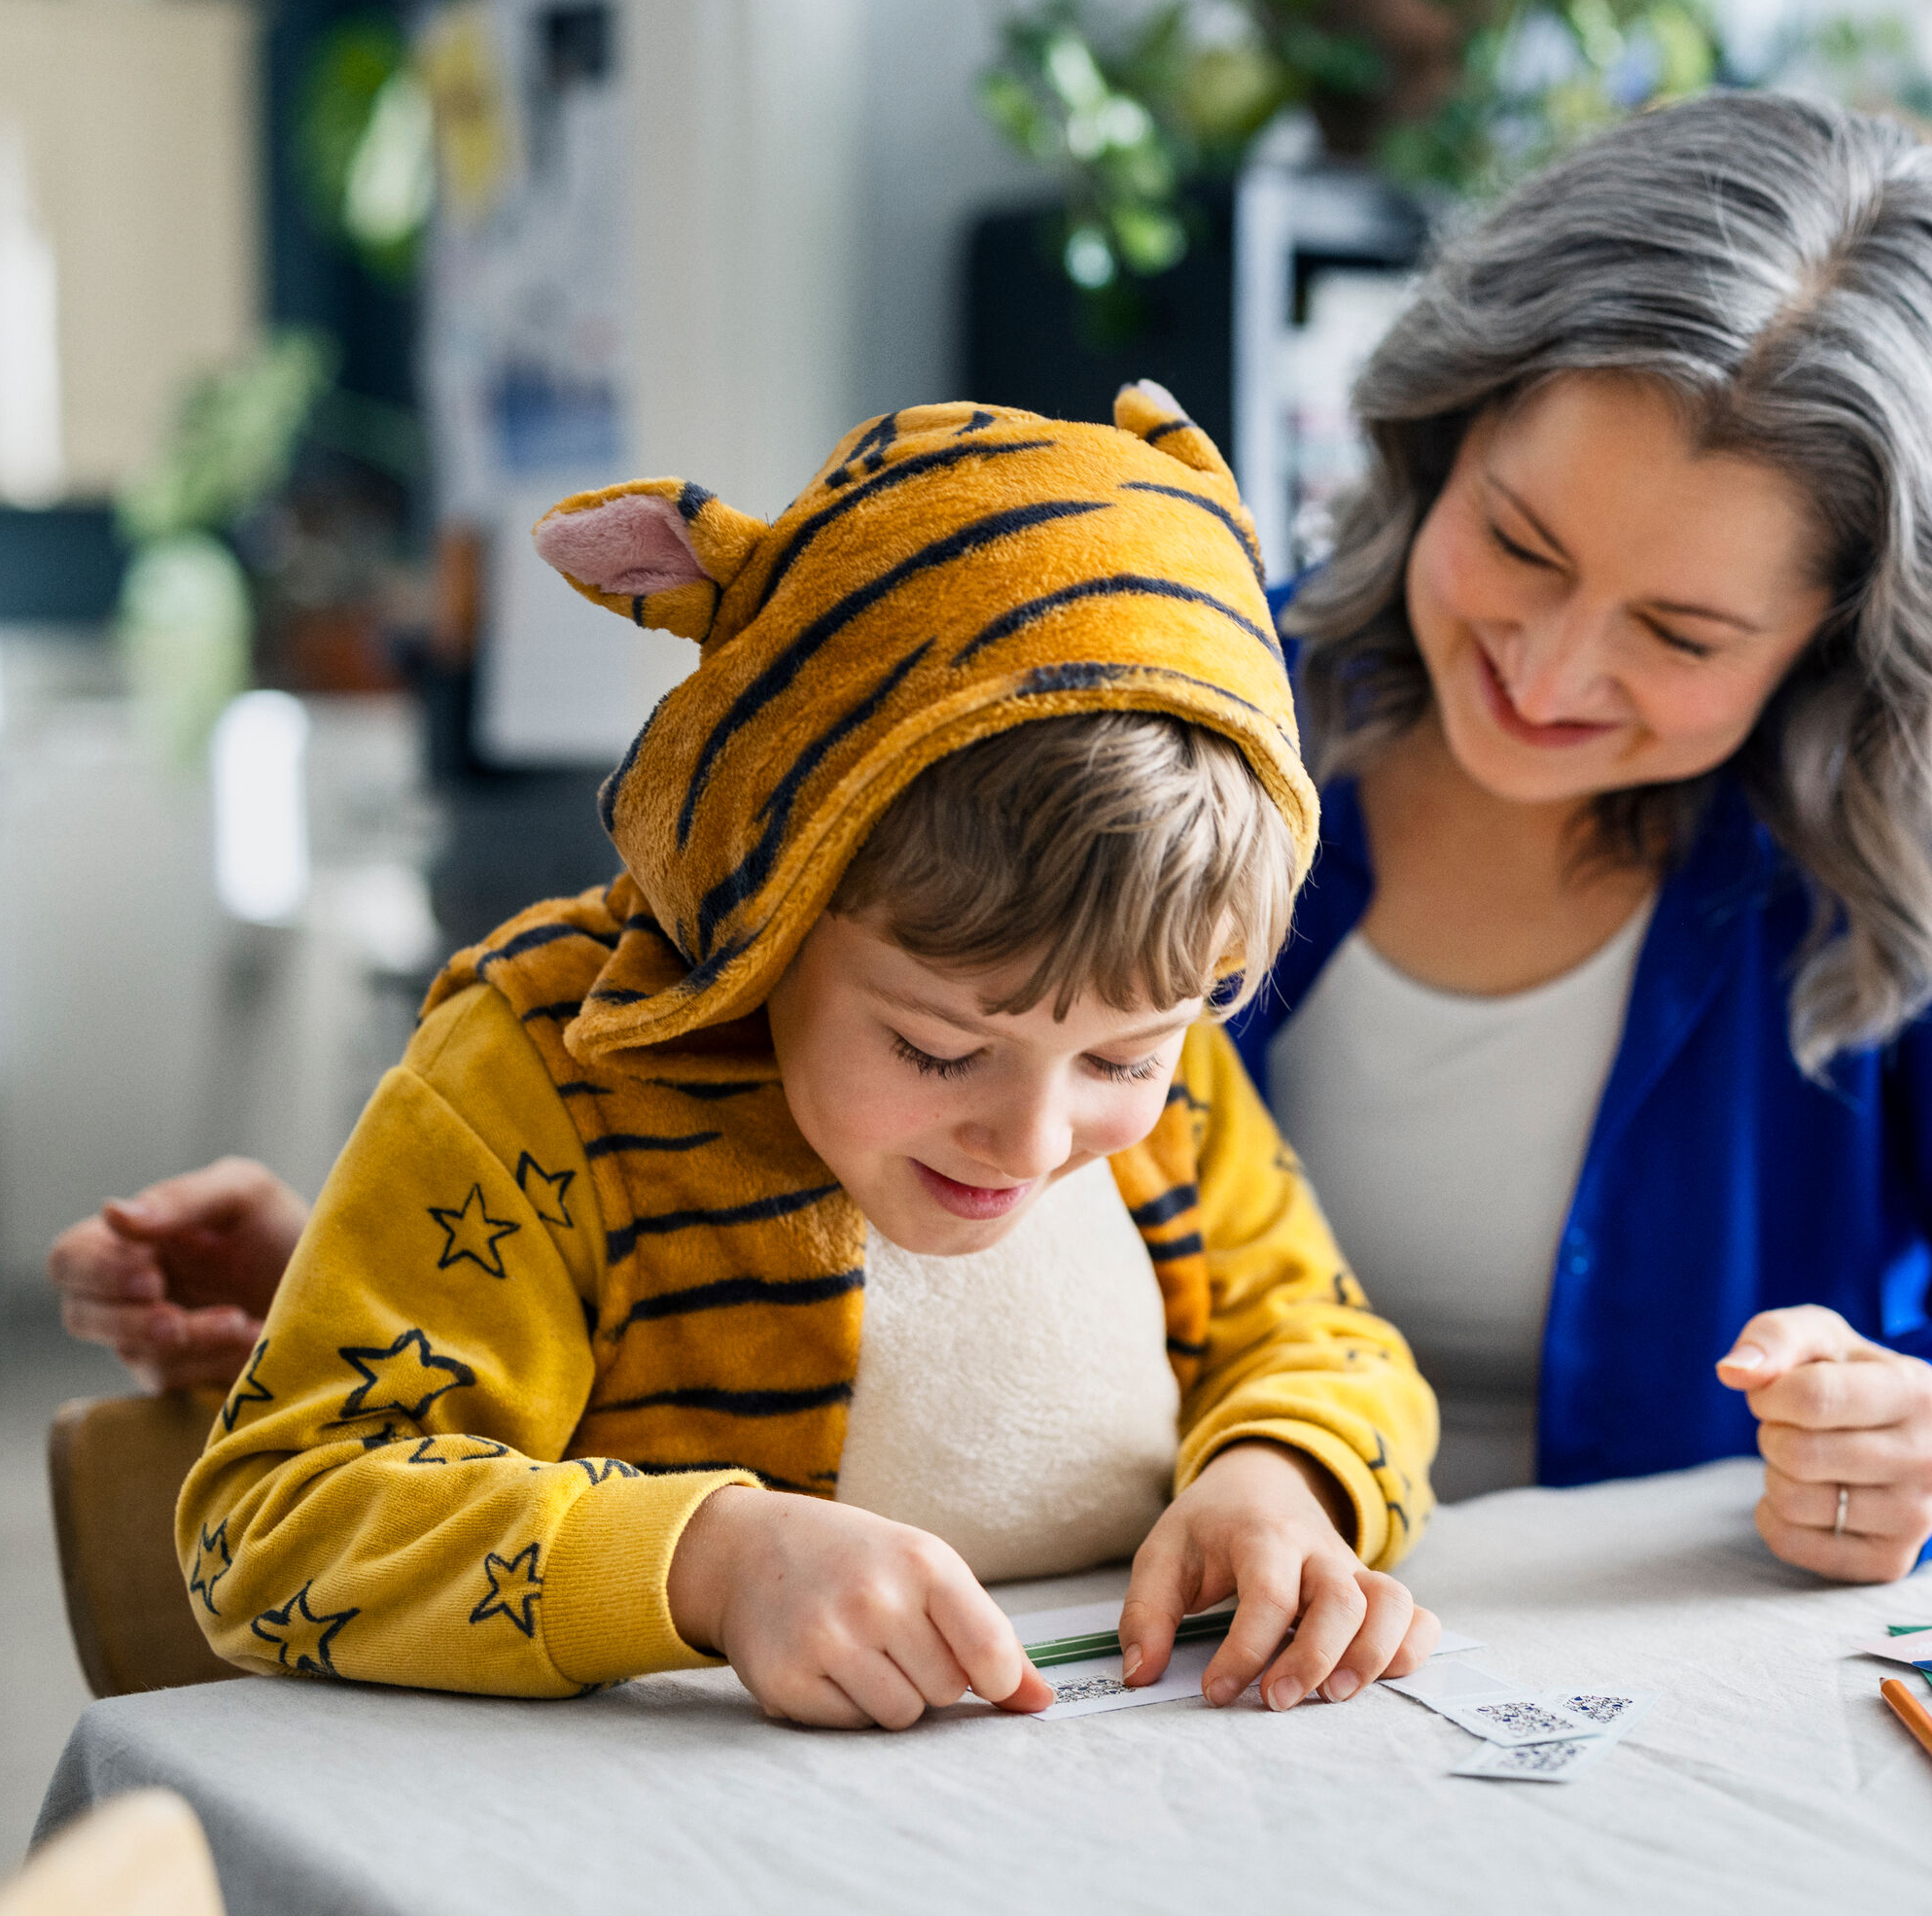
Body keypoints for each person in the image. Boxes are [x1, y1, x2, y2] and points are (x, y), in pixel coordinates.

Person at [62, 90, 1932, 1588]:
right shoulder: (1156, 728)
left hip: (1641, 1685)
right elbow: (757, 1093)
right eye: (1514, 539)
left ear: (1845, 641)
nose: (1552, 664)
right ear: (1437, 430)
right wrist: (404, 1250)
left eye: (1683, 629)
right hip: (1100, 1652)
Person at [174, 393, 1438, 1726]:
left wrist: (1282, 1477)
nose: (1032, 1140)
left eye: (1123, 1060)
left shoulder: (1155, 1047)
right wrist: (709, 1563)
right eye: (941, 1049)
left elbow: (1338, 1346)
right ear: (763, 903)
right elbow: (278, 1521)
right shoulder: (540, 1077)